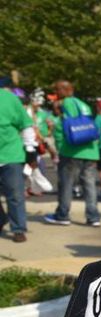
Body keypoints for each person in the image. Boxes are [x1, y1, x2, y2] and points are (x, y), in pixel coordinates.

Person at [43, 80, 100, 228]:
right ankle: (93, 217)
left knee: (66, 184)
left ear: (64, 90)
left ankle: (63, 214)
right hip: (90, 150)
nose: (55, 93)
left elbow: (63, 125)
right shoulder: (83, 104)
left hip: (71, 150)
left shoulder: (65, 103)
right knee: (89, 185)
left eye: (57, 90)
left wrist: (55, 118)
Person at [0, 85, 33, 242]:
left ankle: (18, 229)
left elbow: (25, 124)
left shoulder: (9, 98)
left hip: (10, 154)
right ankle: (1, 219)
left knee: (14, 194)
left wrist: (30, 147)